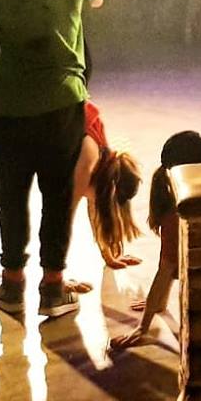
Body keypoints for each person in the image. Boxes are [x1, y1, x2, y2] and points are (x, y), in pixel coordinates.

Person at [0, 0, 103, 318]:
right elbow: (97, 0)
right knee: (57, 193)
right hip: (61, 99)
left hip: (9, 102)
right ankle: (53, 288)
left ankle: (11, 284)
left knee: (12, 194)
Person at [109, 130, 201, 350]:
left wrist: (159, 303)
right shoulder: (175, 217)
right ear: (192, 167)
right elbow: (166, 269)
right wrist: (143, 327)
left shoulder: (187, 197)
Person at [68, 101, 141, 276]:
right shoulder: (86, 162)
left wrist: (108, 255)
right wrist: (56, 280)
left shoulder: (104, 161)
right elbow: (58, 222)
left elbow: (96, 205)